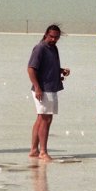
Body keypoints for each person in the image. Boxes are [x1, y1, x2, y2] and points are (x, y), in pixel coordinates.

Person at [27, 24, 70, 161]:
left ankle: (34, 150)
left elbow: (49, 67)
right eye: (51, 36)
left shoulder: (53, 48)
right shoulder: (40, 48)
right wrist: (38, 87)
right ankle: (43, 152)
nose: (53, 39)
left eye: (56, 37)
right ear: (46, 34)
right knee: (46, 119)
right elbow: (31, 69)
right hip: (43, 89)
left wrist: (61, 71)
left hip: (51, 87)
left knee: (41, 118)